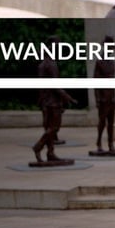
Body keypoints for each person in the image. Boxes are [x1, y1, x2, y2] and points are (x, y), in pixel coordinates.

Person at [32, 36, 76, 164]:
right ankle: (38, 147)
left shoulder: (42, 64)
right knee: (54, 128)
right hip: (53, 102)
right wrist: (68, 98)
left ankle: (50, 153)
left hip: (46, 101)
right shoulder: (51, 64)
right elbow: (55, 86)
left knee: (49, 128)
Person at [92, 36, 115, 156]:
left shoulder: (111, 62)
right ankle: (99, 143)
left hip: (111, 98)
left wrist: (114, 98)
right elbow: (95, 82)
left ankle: (111, 144)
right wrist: (98, 99)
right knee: (102, 122)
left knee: (111, 123)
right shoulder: (100, 62)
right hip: (103, 98)